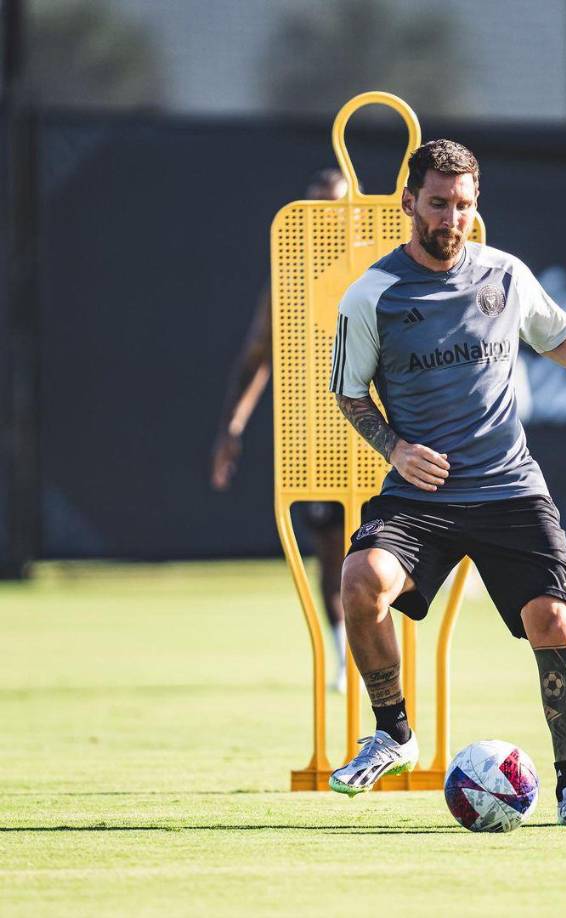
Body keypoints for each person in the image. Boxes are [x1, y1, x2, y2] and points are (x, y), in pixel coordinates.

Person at [326, 140, 566, 826]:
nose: (451, 218)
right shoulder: (373, 295)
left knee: (557, 623)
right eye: (437, 203)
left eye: (462, 204)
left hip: (510, 488)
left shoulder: (506, 274)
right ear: (409, 203)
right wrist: (395, 448)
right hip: (421, 494)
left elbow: (557, 338)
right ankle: (393, 733)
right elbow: (349, 394)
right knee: (360, 581)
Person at [211, 167, 350, 691]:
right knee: (332, 551)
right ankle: (344, 657)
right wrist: (232, 425)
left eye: (332, 211)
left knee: (387, 547)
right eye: (313, 213)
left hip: (380, 432)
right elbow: (258, 352)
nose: (322, 224)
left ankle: (382, 652)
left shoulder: (381, 266)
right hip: (315, 432)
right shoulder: (290, 275)